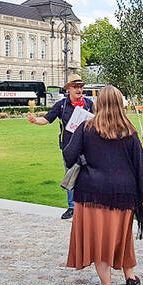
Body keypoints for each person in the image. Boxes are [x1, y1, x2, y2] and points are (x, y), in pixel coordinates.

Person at [63, 85, 143, 285]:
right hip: (123, 192)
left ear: (99, 103)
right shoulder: (129, 130)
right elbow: (140, 166)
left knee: (99, 240)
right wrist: (139, 195)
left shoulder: (86, 127)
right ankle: (130, 277)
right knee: (122, 236)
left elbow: (69, 156)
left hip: (92, 192)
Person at [27, 73, 94, 219]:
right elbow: (47, 119)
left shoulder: (89, 104)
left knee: (89, 176)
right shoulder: (62, 105)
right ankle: (72, 207)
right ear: (69, 89)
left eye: (81, 87)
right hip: (69, 147)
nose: (79, 90)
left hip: (89, 146)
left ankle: (87, 206)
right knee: (70, 175)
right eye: (75, 87)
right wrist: (35, 120)